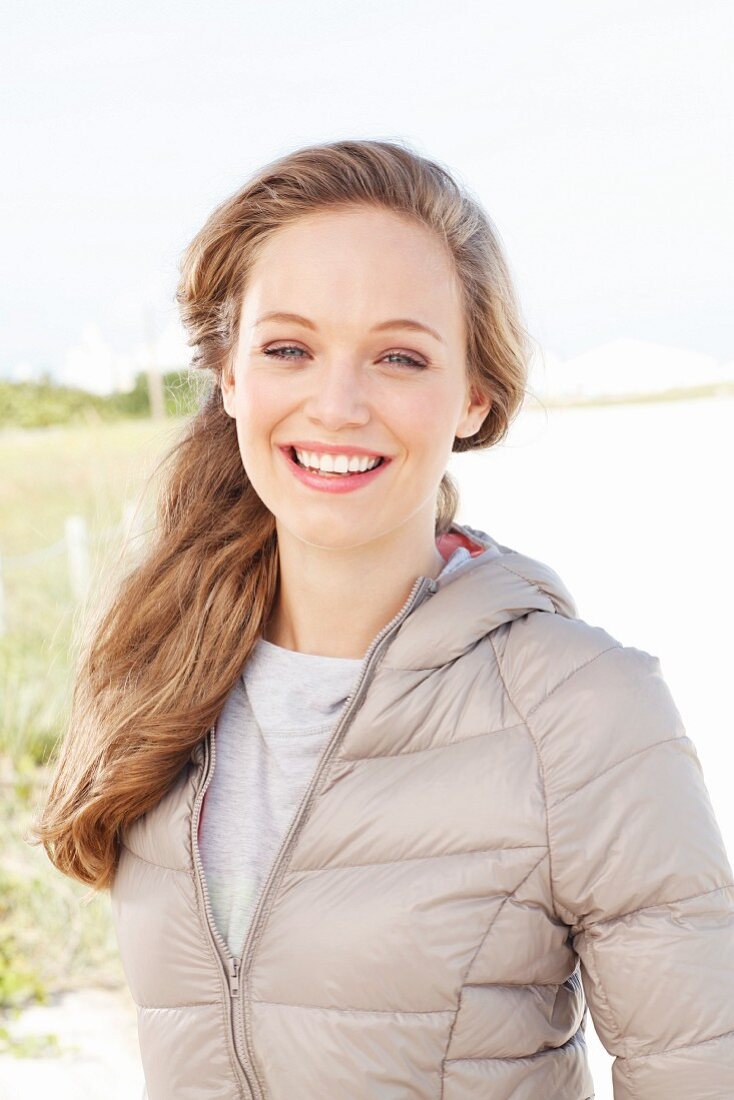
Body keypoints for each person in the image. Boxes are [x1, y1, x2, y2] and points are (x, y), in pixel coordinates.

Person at [31, 138, 734, 1100]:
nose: (338, 403)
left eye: (399, 357)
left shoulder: (585, 709)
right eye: (288, 349)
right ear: (230, 374)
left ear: (473, 397)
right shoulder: (161, 673)